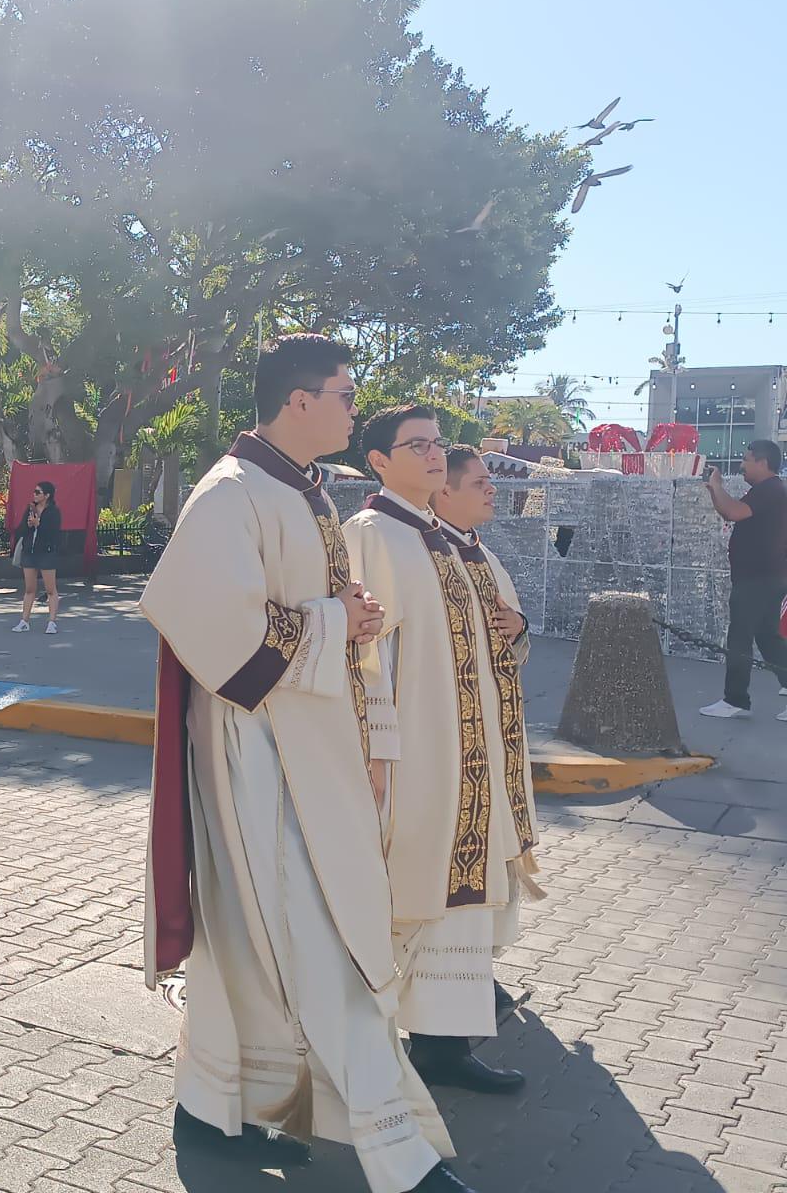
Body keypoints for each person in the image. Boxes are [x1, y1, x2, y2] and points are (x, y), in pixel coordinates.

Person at [141, 335, 468, 1193]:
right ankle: (399, 1151)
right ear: (298, 401)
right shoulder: (231, 491)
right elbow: (194, 614)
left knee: (255, 941)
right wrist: (332, 620)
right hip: (259, 752)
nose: (356, 407)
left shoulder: (305, 490)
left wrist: (343, 618)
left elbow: (303, 609)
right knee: (320, 938)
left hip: (310, 745)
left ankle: (212, 1110)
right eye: (345, 392)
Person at [344, 407, 537, 1100]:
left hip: (465, 758)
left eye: (435, 444)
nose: (432, 455)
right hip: (415, 760)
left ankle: (443, 1045)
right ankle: (389, 1050)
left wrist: (516, 628)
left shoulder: (444, 541)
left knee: (454, 911)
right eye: (416, 445)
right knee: (410, 900)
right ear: (378, 461)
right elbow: (359, 652)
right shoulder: (370, 533)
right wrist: (376, 750)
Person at [432, 445, 544, 1014]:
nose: (491, 489)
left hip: (496, 735)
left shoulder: (483, 554)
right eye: (479, 482)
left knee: (495, 849)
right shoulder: (429, 554)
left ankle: (478, 967)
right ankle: (453, 982)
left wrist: (518, 624)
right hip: (452, 740)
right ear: (444, 490)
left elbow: (514, 637)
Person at [700, 440, 787, 720]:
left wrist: (717, 485)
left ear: (762, 462)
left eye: (746, 459)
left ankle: (735, 699)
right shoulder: (769, 490)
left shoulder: (769, 489)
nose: (741, 465)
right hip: (767, 576)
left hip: (757, 578)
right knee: (768, 638)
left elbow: (733, 512)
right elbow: (729, 511)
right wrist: (714, 489)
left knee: (739, 636)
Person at [11, 480, 62, 635]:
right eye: (34, 491)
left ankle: (52, 622)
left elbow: (53, 534)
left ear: (47, 495)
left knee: (50, 589)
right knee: (29, 589)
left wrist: (39, 524)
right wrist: (29, 524)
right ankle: (24, 621)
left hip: (46, 553)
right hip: (29, 553)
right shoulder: (30, 509)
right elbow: (20, 530)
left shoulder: (53, 512)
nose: (34, 494)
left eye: (38, 492)